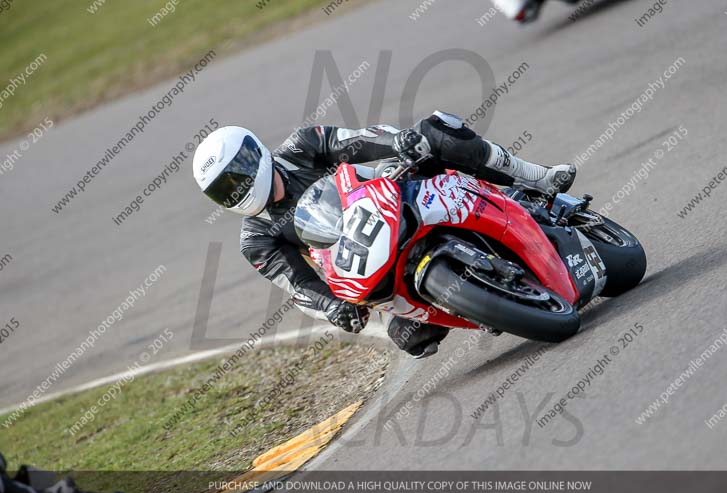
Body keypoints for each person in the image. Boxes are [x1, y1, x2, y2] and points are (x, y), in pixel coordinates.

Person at [191, 111, 575, 357]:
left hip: (388, 196)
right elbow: (298, 284)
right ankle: (485, 302)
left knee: (438, 132)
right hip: (367, 263)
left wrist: (398, 142)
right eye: (225, 190)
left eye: (236, 178)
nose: (237, 191)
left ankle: (535, 176)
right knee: (410, 337)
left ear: (254, 154)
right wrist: (332, 307)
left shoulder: (302, 146)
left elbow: (357, 140)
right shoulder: (255, 239)